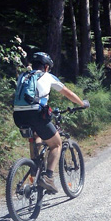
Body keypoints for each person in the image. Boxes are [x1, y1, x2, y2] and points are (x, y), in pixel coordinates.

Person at [13, 52, 89, 193]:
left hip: (18, 115)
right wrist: (82, 103)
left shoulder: (23, 77)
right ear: (46, 67)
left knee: (36, 136)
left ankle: (34, 172)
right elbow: (68, 93)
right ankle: (47, 177)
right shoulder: (47, 76)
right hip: (36, 114)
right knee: (56, 144)